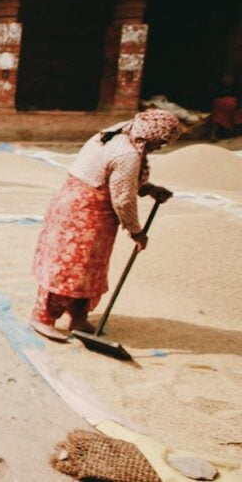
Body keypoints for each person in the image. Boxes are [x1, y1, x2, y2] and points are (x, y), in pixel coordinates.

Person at [30, 109, 181, 341]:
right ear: (151, 135)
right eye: (160, 142)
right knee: (68, 267)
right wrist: (136, 231)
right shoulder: (127, 153)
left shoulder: (118, 132)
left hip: (82, 209)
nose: (159, 147)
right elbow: (122, 198)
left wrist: (148, 188)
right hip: (83, 212)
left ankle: (78, 317)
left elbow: (118, 179)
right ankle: (43, 317)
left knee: (88, 269)